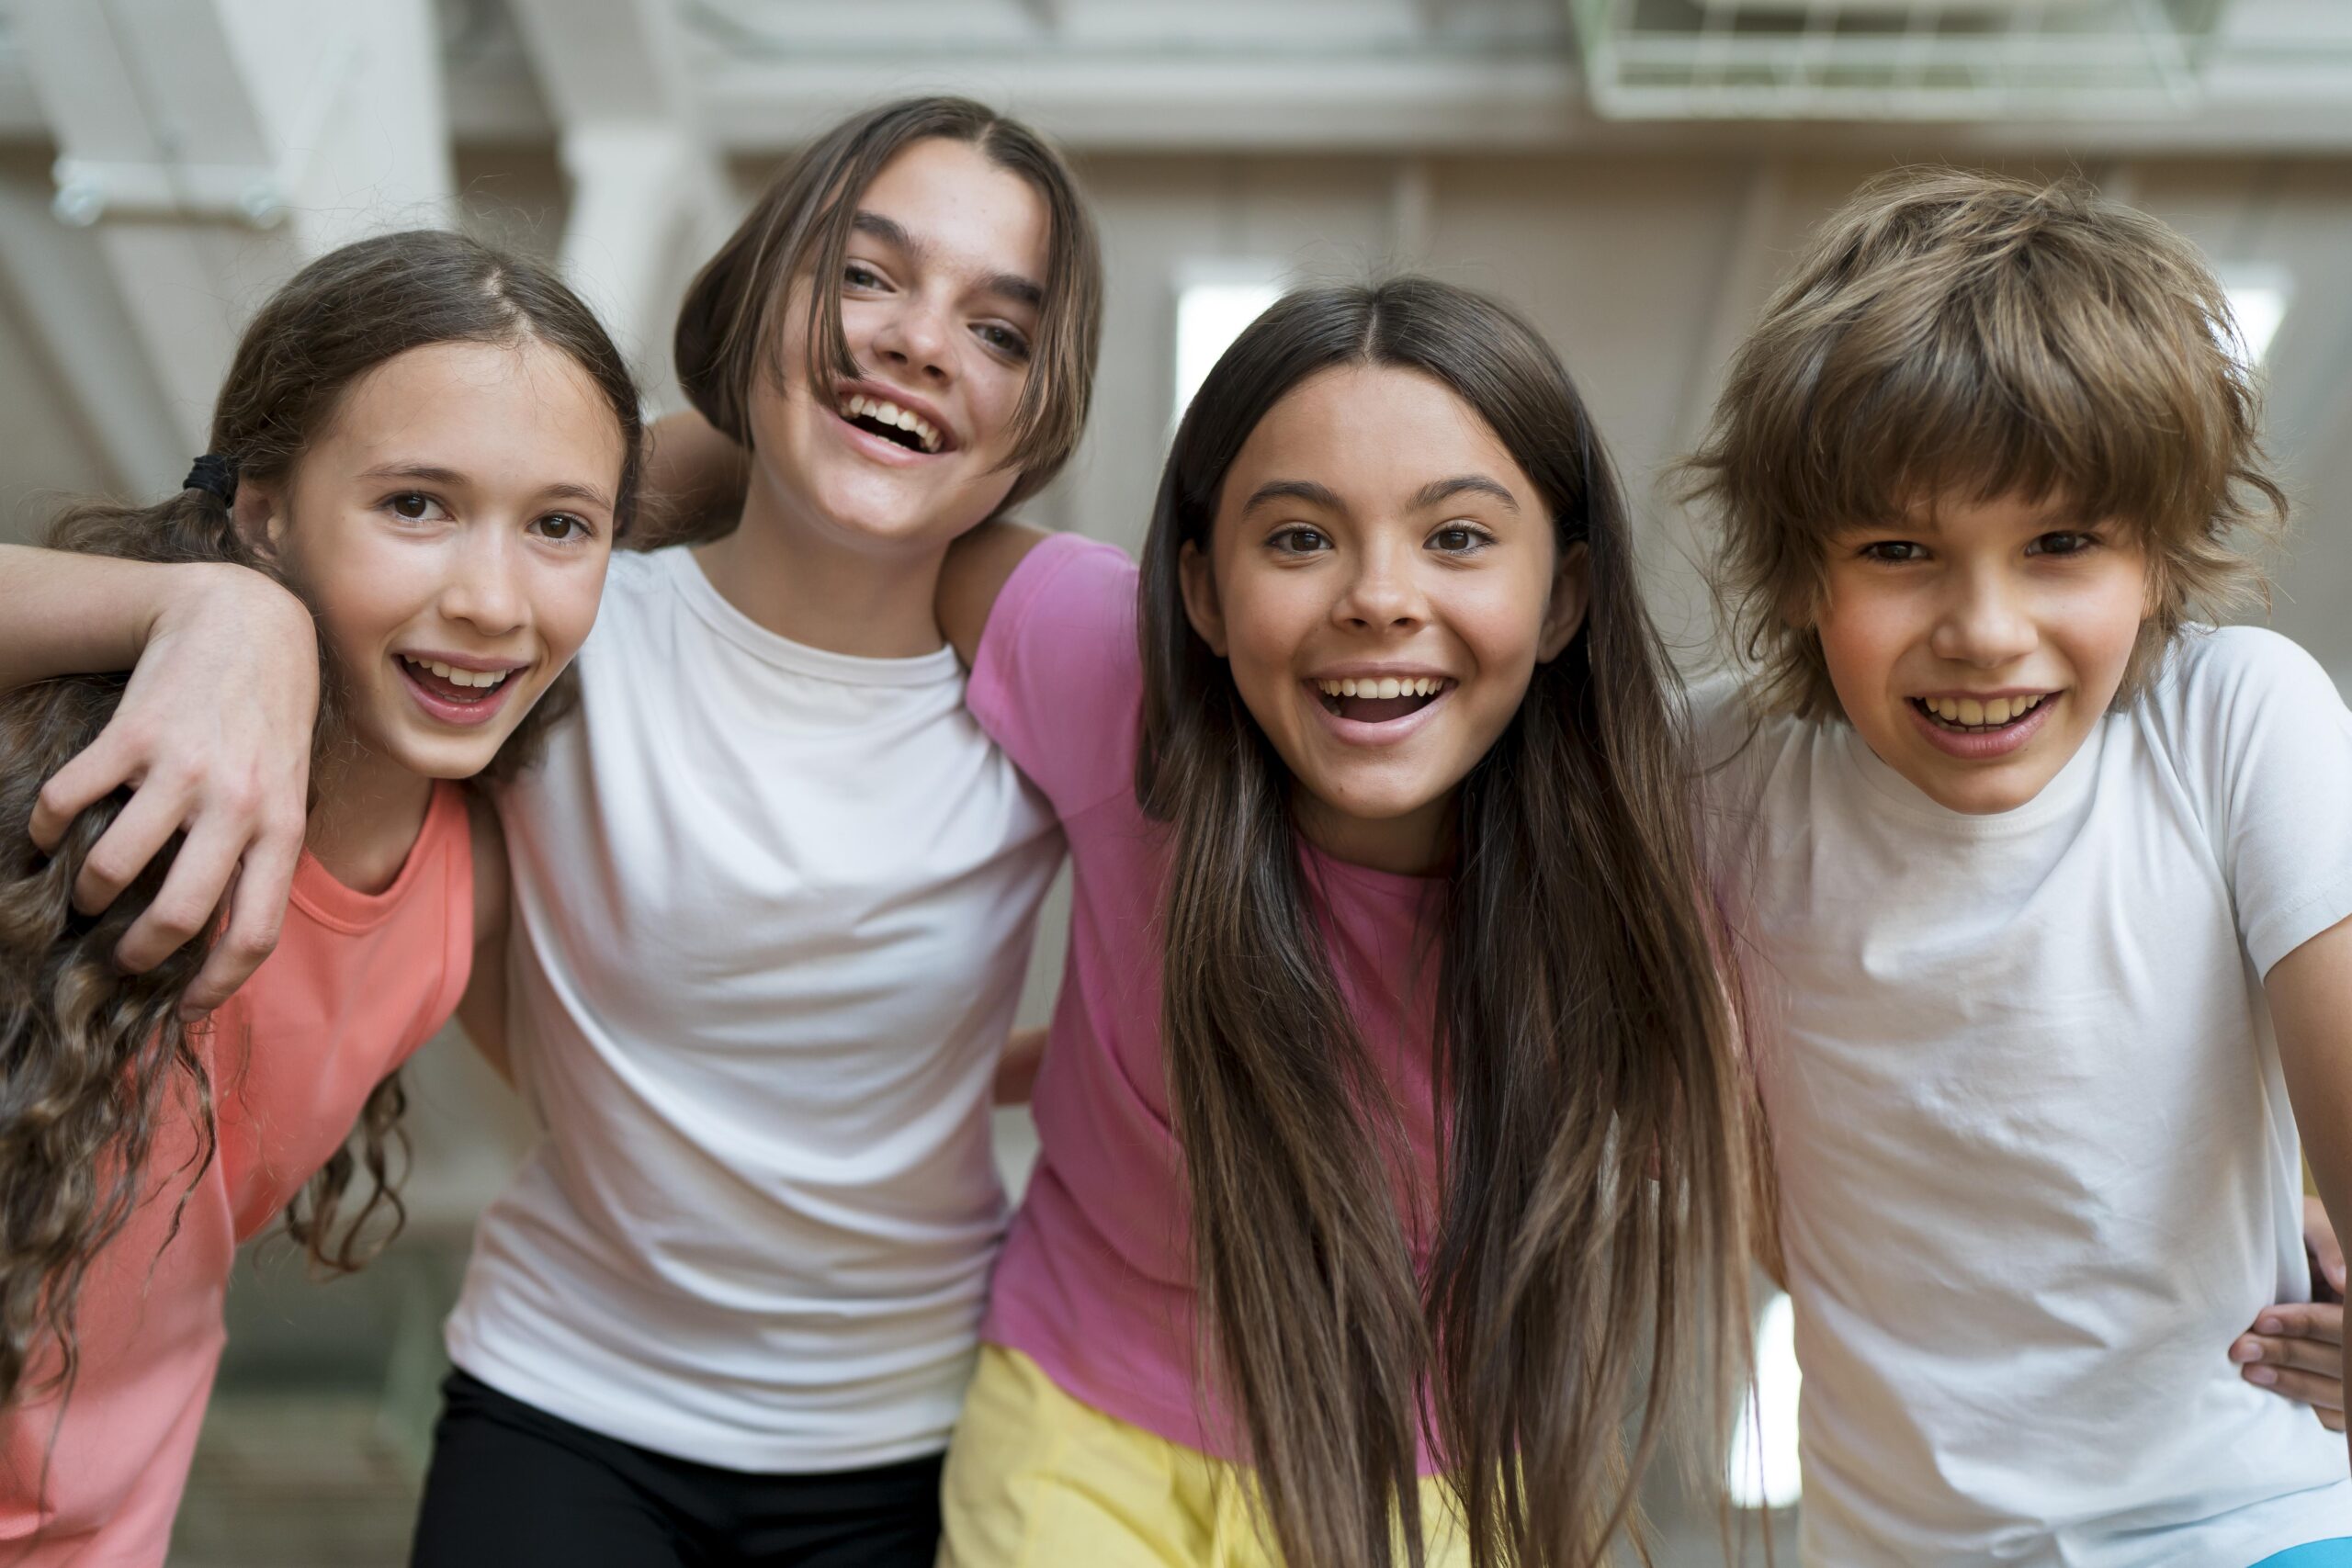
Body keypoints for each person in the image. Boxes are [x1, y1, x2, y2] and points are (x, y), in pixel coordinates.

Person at [927, 277, 1760, 1568]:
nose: (1379, 597)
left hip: (1418, 1471)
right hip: (1071, 1421)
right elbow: (873, 530)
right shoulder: (1115, 684)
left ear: (1563, 600)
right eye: (1302, 540)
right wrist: (600, 488)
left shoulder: (1627, 915)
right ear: (1201, 592)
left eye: (1460, 540)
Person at [401, 96, 1101, 1566]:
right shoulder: (565, 629)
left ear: (1039, 416)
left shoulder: (1047, 700)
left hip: (908, 1437)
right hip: (560, 1398)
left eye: (1000, 330)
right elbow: (458, 956)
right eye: (864, 274)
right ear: (760, 291)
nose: (918, 340)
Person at [1684, 168, 2352, 1565]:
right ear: (1802, 574)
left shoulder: (2237, 717)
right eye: (1898, 551)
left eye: (2060, 545)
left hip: (2247, 1519)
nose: (1985, 630)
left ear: (2160, 559)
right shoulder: (1716, 776)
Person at [0, 229, 639, 1565]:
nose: (489, 600)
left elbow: (751, 469)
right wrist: (216, 613)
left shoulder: (473, 862)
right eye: (415, 505)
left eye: (559, 527)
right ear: (264, 507)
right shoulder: (79, 780)